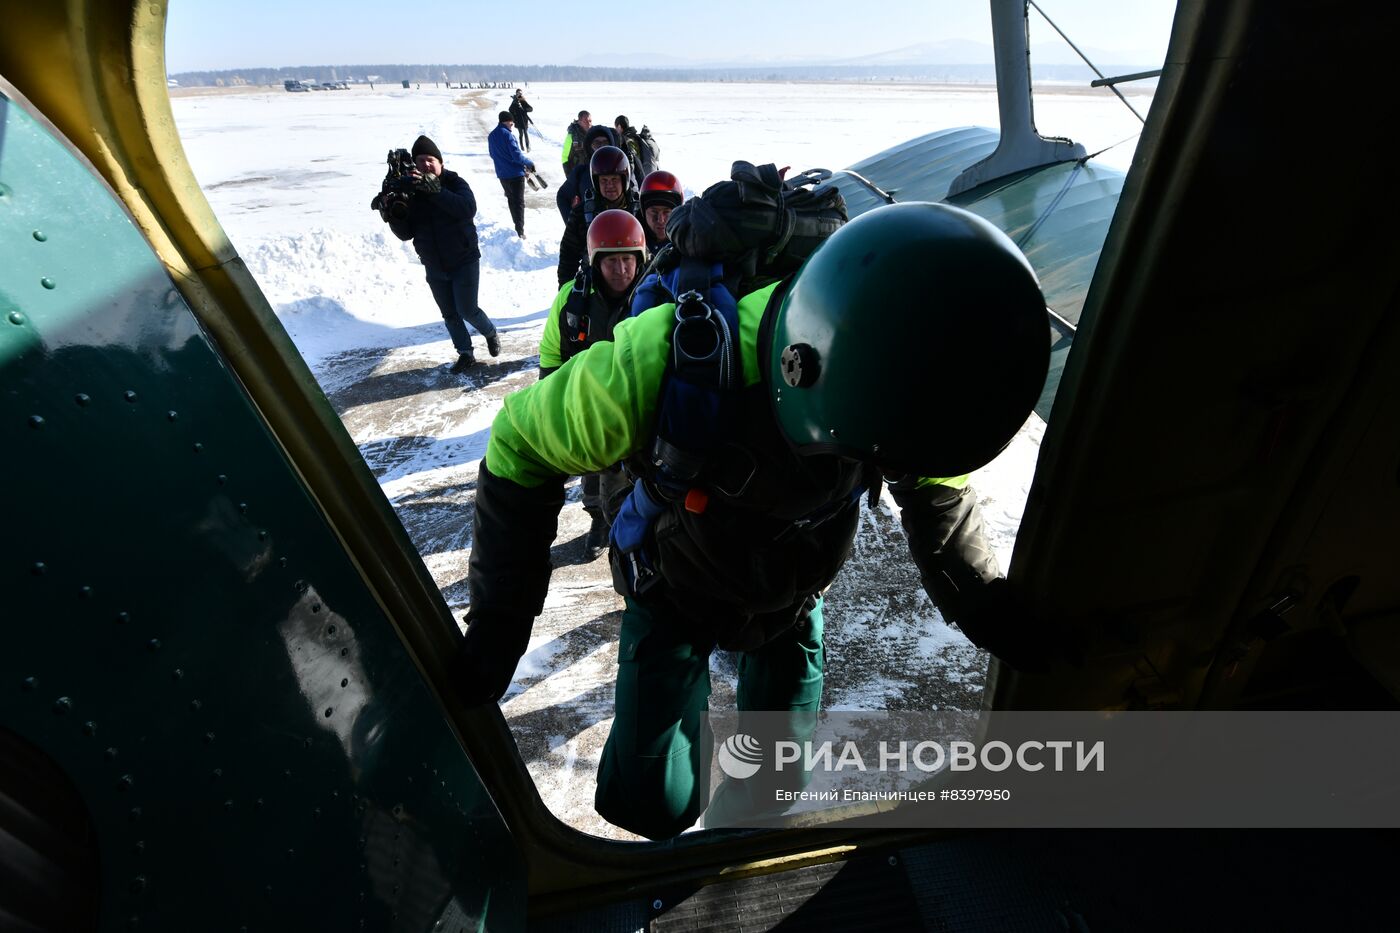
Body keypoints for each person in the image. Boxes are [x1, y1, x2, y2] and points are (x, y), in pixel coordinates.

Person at [453, 200, 1054, 839]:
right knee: (653, 804)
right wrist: (500, 623)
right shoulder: (660, 364)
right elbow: (518, 442)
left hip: (793, 595)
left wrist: (988, 607)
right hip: (674, 591)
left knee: (771, 789)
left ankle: (728, 855)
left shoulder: (913, 389)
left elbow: (940, 498)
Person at [538, 209, 647, 557]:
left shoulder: (654, 294)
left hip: (637, 405)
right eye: (611, 262)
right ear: (595, 262)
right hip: (588, 405)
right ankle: (598, 518)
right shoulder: (573, 300)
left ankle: (632, 532)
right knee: (593, 475)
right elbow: (551, 352)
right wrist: (551, 405)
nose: (621, 270)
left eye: (628, 260)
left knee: (635, 478)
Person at [382, 134, 500, 372]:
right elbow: (406, 233)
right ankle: (465, 353)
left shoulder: (455, 183)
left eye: (430, 159)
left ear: (440, 163)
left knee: (467, 309)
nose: (425, 164)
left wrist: (435, 190)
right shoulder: (412, 192)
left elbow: (467, 209)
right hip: (434, 264)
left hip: (463, 259)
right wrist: (394, 213)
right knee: (449, 314)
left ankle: (489, 332)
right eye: (420, 160)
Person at [556, 145, 641, 286]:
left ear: (624, 180)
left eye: (614, 179)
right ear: (596, 182)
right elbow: (568, 256)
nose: (609, 186)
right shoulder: (582, 213)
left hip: (634, 285)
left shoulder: (639, 211)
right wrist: (565, 291)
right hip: (593, 286)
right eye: (604, 181)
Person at [555, 124, 619, 223]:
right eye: (597, 144)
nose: (601, 147)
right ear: (589, 147)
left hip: (622, 232)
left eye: (605, 143)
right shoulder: (581, 173)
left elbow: (639, 198)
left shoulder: (622, 170)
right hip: (591, 233)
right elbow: (562, 196)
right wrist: (572, 224)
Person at [488, 111, 535, 239]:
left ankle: (517, 227)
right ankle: (520, 231)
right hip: (515, 174)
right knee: (519, 203)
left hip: (502, 175)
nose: (512, 125)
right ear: (507, 121)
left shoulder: (491, 135)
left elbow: (492, 155)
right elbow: (517, 155)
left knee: (511, 200)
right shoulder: (508, 135)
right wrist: (529, 163)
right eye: (511, 122)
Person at [637, 170, 683, 253]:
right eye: (654, 212)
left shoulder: (687, 246)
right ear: (643, 212)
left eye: (666, 212)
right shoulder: (632, 241)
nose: (660, 220)